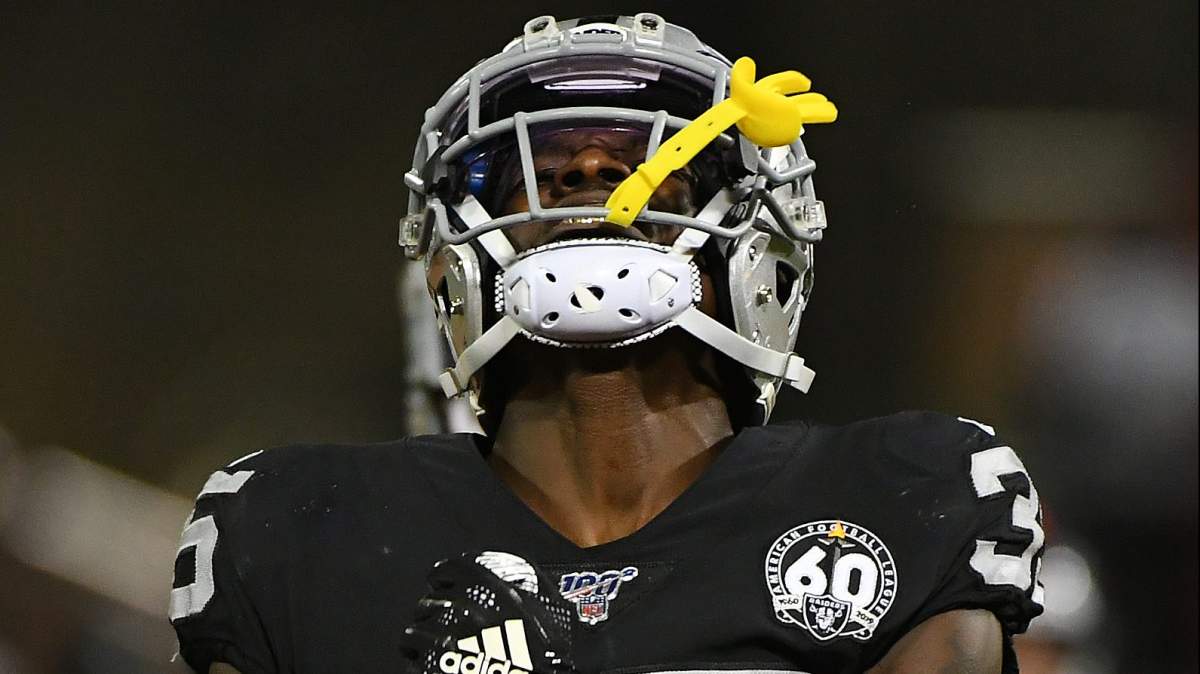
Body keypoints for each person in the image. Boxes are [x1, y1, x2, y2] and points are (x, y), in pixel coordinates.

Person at [168, 13, 1044, 674]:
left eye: (650, 159)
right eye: (542, 169)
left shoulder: (907, 492)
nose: (591, 171)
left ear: (760, 252)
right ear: (449, 264)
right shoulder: (300, 527)